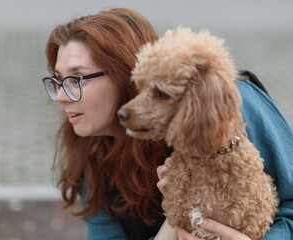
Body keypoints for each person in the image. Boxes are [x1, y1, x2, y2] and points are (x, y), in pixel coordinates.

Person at [42, 8, 293, 240]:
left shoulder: (227, 104)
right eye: (58, 80)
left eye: (77, 79)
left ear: (125, 73)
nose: (61, 97)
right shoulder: (91, 153)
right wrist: (177, 216)